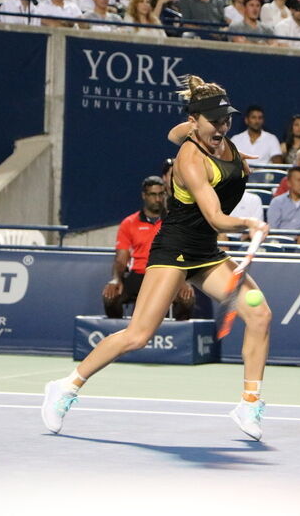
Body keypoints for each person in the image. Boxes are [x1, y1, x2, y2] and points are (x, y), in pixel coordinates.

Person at [41, 75, 271, 440]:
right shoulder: (190, 158)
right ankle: (66, 386)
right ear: (196, 121)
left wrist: (202, 125)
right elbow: (214, 216)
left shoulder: (214, 138)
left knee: (259, 315)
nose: (224, 127)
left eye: (227, 119)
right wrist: (249, 223)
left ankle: (249, 403)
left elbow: (175, 132)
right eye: (215, 121)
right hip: (176, 249)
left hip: (206, 251)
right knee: (138, 335)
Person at [102, 175, 195, 320]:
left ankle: (177, 339)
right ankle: (118, 335)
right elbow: (121, 259)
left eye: (161, 194)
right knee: (110, 298)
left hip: (166, 275)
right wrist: (116, 279)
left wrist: (185, 281)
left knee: (187, 298)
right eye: (153, 195)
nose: (158, 199)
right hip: (139, 275)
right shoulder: (129, 223)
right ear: (144, 196)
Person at [267, 166, 300, 240]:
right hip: (280, 242)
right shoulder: (277, 202)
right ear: (289, 183)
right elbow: (272, 229)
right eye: (299, 180)